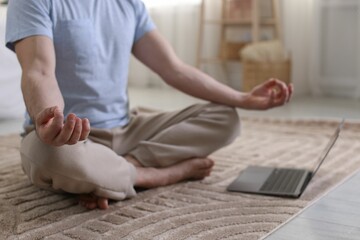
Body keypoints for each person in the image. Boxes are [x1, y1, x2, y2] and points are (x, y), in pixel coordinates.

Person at [5, 0, 293, 210]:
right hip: (70, 138)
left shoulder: (129, 3)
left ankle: (120, 171)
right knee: (49, 157)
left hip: (127, 128)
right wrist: (51, 122)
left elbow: (174, 69)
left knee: (225, 118)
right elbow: (39, 70)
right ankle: (160, 175)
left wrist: (243, 98)